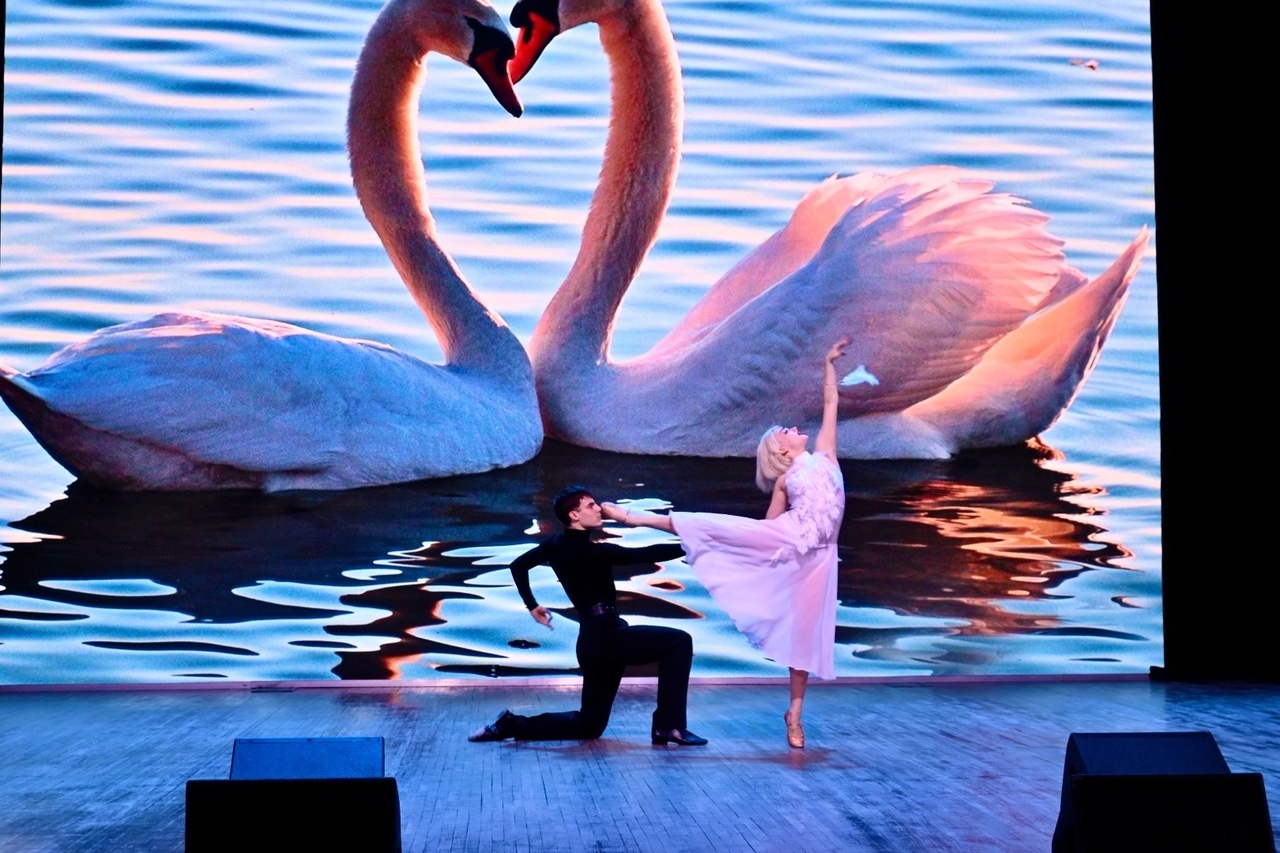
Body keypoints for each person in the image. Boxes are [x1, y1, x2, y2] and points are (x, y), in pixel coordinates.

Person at [601, 339, 849, 748]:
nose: (794, 429)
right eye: (786, 432)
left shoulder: (826, 456)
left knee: (805, 641)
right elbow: (767, 526)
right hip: (790, 541)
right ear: (781, 449)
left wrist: (829, 364)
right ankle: (634, 517)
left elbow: (831, 402)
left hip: (821, 560)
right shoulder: (786, 480)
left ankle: (795, 714)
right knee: (710, 526)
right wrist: (751, 554)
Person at [468, 486, 707, 746]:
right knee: (678, 642)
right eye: (591, 505)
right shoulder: (593, 552)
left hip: (593, 642)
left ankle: (511, 724)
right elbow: (645, 554)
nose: (599, 509)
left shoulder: (554, 544)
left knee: (589, 725)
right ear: (574, 515)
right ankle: (669, 727)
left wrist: (532, 606)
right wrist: (693, 544)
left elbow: (518, 566)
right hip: (607, 638)